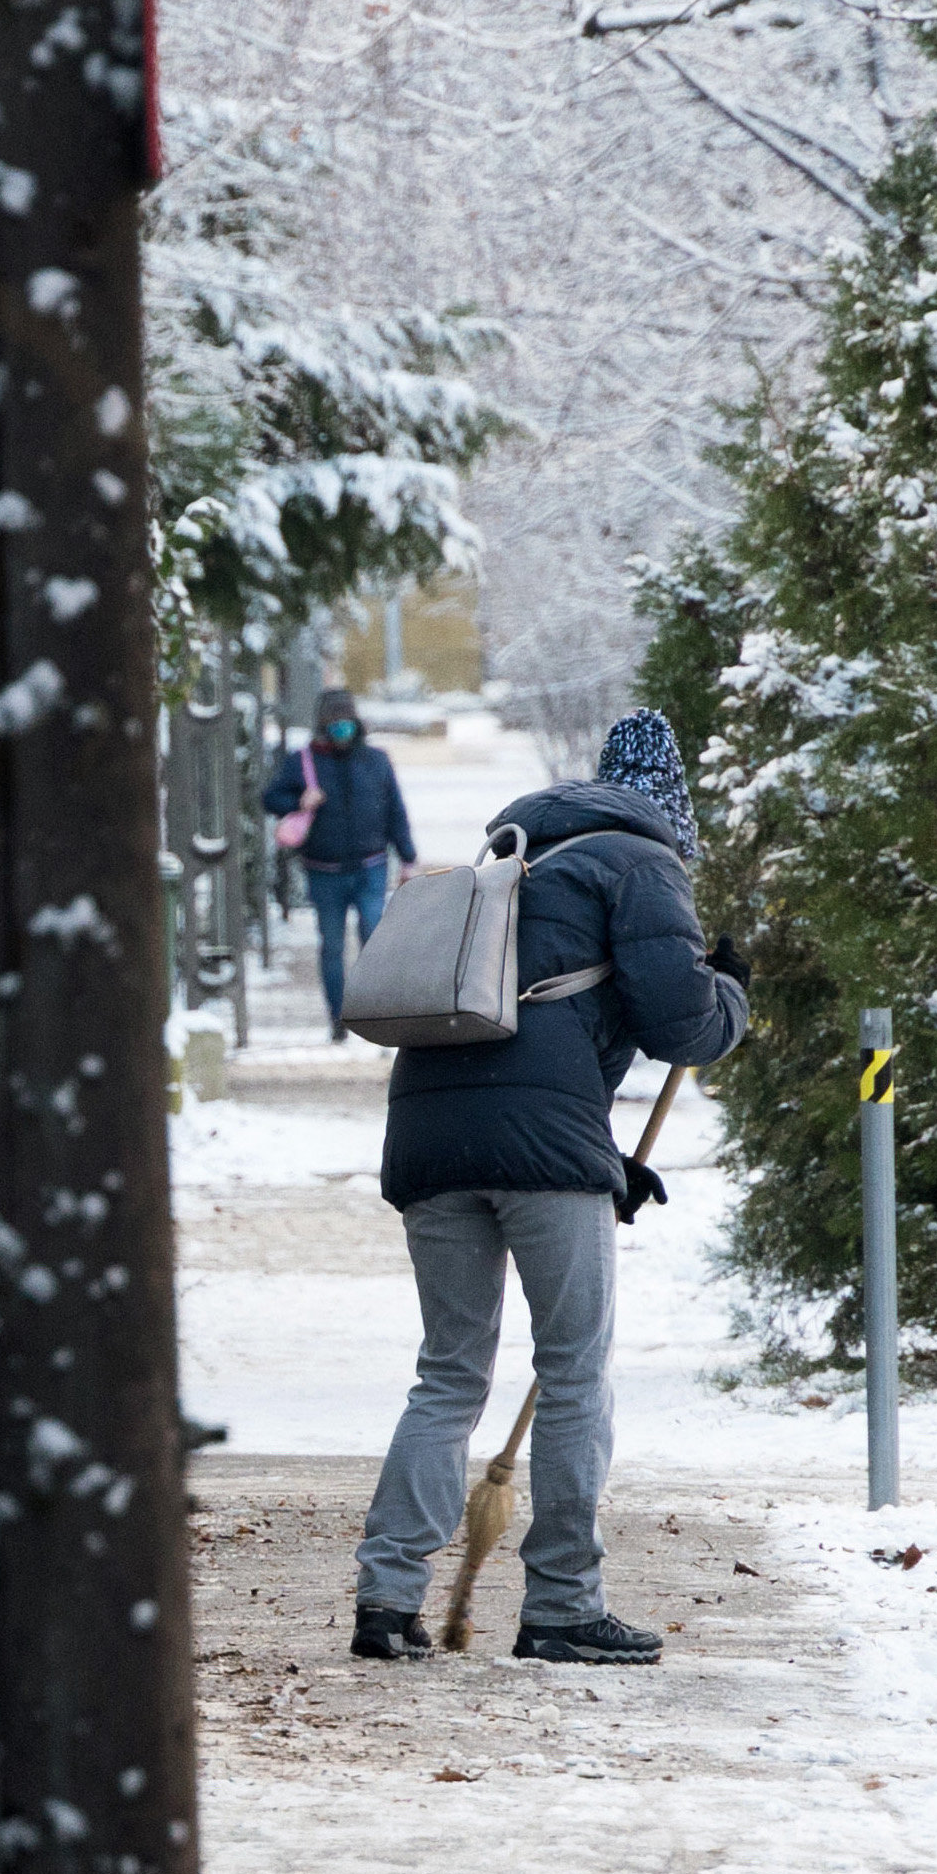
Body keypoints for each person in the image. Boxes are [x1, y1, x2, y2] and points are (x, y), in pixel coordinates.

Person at [351, 711, 750, 1668]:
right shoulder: (639, 861)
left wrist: (605, 1161)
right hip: (541, 1149)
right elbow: (680, 1026)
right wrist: (730, 991)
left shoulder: (505, 857)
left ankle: (385, 1596)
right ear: (669, 806)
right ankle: (563, 1606)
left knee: (448, 1372)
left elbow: (540, 1030)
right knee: (573, 1371)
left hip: (429, 1135)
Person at [262, 686, 418, 1038]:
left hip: (371, 865)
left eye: (346, 720)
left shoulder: (376, 761)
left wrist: (408, 857)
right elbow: (270, 798)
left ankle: (375, 1011)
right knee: (331, 946)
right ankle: (339, 1017)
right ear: (322, 725)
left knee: (374, 938)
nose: (341, 727)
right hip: (324, 870)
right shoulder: (303, 761)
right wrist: (300, 800)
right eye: (334, 722)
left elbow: (394, 810)